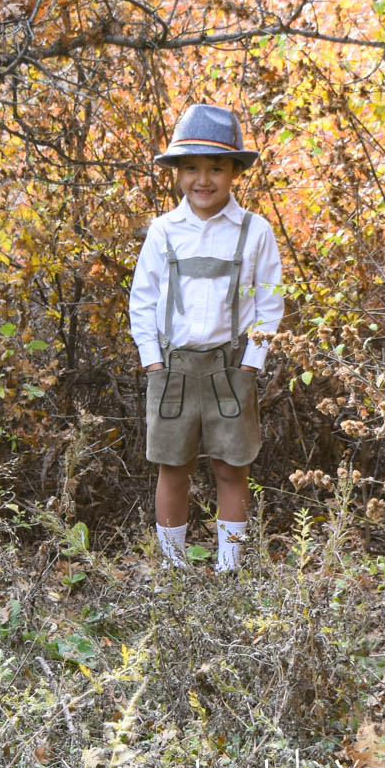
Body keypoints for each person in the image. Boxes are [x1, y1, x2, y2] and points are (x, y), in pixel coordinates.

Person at [128, 103, 284, 571]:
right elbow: (143, 299)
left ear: (235, 171)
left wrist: (250, 364)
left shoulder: (254, 231)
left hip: (230, 369)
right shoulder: (164, 231)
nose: (203, 179)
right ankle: (174, 571)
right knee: (172, 468)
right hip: (173, 368)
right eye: (192, 167)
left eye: (216, 168)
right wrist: (153, 361)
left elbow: (269, 303)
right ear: (176, 173)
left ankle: (230, 570)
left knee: (231, 467)